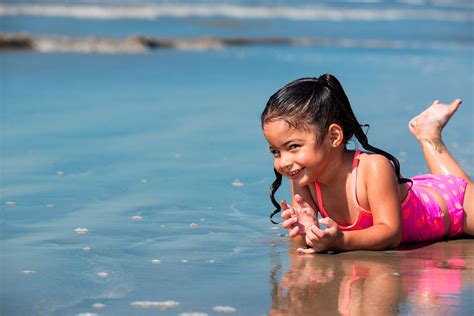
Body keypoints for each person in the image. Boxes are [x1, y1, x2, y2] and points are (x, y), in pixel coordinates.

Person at [261, 73, 473, 253]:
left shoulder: (373, 168)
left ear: (334, 136)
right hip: (418, 190)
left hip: (453, 205)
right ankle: (429, 134)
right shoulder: (302, 175)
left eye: (293, 147)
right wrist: (304, 231)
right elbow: (305, 241)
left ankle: (429, 136)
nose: (283, 162)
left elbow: (390, 233)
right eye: (275, 151)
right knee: (449, 180)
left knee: (457, 185)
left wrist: (341, 241)